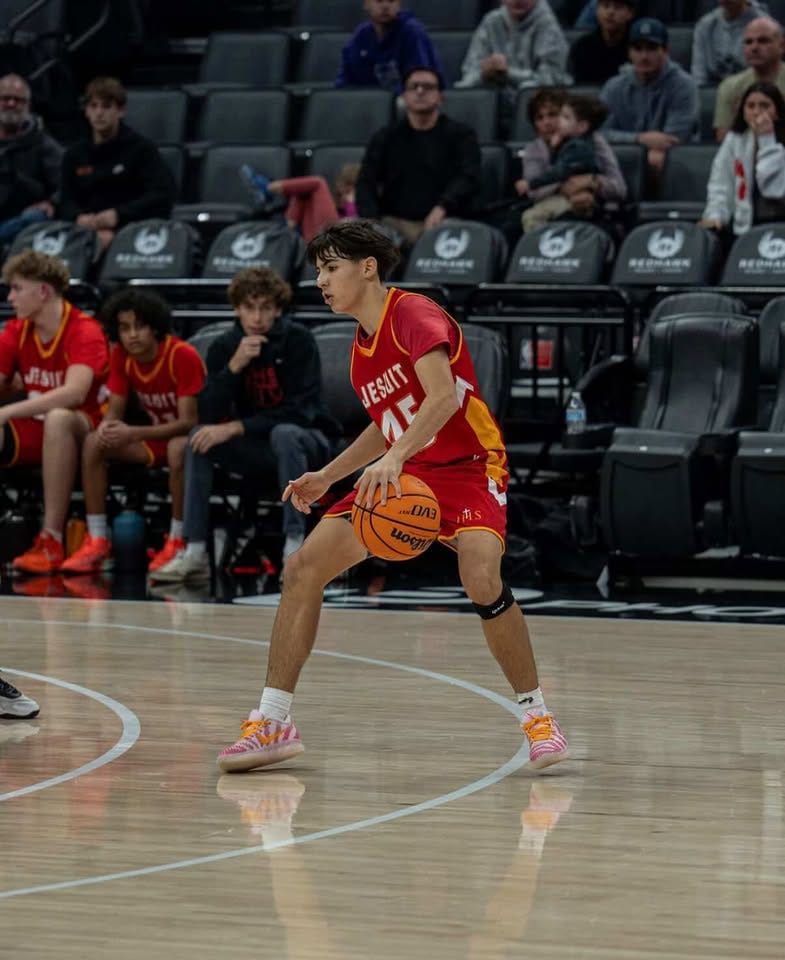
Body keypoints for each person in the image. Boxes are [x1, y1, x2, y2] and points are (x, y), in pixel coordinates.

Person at [216, 219, 569, 775]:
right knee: (303, 568)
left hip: (469, 465)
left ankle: (539, 718)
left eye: (330, 268)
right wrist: (328, 475)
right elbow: (388, 426)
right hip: (409, 466)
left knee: (481, 577)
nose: (321, 281)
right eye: (317, 272)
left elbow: (442, 398)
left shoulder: (413, 315)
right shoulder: (361, 352)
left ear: (367, 268)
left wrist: (397, 456)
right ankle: (273, 720)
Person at [151, 266, 338, 583]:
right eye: (250, 308)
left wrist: (237, 427)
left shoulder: (299, 341)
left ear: (278, 309)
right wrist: (233, 368)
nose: (257, 317)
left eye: (265, 308)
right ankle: (194, 552)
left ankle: (294, 547)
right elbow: (207, 413)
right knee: (198, 438)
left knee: (284, 434)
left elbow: (300, 413)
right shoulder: (225, 347)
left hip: (309, 444)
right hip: (258, 448)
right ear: (237, 309)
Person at [59, 288, 206, 575]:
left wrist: (133, 433)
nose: (132, 335)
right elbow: (115, 408)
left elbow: (189, 423)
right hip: (153, 436)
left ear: (155, 327)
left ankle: (177, 539)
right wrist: (108, 426)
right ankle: (97, 538)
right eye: (125, 328)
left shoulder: (181, 355)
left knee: (178, 448)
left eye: (140, 326)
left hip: (193, 438)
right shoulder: (121, 355)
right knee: (94, 442)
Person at [0, 251, 109, 575]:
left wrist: (6, 410)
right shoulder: (17, 330)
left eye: (17, 288)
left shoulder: (84, 329)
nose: (10, 297)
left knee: (59, 417)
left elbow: (74, 393)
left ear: (43, 291)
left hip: (88, 427)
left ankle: (52, 539)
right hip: (37, 427)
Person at [356, 66, 481, 246]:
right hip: (394, 223)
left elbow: (469, 177)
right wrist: (372, 222)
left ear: (441, 97)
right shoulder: (386, 137)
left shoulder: (462, 136)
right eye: (413, 87)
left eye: (428, 87)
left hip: (444, 219)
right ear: (404, 96)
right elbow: (365, 182)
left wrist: (443, 206)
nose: (420, 91)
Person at [59, 76, 176, 250]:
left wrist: (118, 215)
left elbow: (162, 195)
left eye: (106, 106)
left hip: (130, 229)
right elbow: (66, 201)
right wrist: (78, 217)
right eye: (93, 106)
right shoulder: (74, 155)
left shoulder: (141, 150)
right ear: (86, 111)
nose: (99, 113)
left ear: (121, 111)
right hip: (83, 230)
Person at [601, 17, 698, 179]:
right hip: (622, 158)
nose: (644, 56)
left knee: (658, 160)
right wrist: (640, 139)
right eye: (638, 49)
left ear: (665, 51)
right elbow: (601, 133)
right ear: (629, 52)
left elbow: (674, 139)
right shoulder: (614, 86)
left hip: (674, 161)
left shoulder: (684, 85)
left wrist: (643, 146)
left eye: (652, 49)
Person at [455, 0, 570, 133]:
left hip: (535, 114)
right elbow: (468, 77)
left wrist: (509, 73)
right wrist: (483, 74)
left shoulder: (548, 25)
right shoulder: (491, 22)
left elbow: (552, 81)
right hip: (494, 111)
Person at [520, 88, 627, 230]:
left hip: (596, 208)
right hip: (553, 210)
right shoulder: (533, 150)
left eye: (553, 115)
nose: (546, 123)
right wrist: (565, 186)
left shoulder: (594, 141)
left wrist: (593, 182)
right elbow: (533, 192)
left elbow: (619, 189)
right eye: (539, 118)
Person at [700, 81, 785, 236]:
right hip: (744, 228)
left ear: (777, 112)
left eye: (764, 106)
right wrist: (715, 216)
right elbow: (720, 183)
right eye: (750, 106)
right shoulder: (734, 139)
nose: (757, 112)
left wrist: (766, 139)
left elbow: (773, 190)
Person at [0, 73, 63, 245]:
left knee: (36, 217)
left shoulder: (44, 144)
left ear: (28, 106)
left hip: (20, 219)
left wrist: (51, 203)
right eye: (5, 98)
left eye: (18, 100)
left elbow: (68, 183)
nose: (11, 104)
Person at [335, 0, 442, 93]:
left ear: (399, 4)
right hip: (367, 105)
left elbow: (420, 82)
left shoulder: (412, 32)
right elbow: (344, 80)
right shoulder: (361, 35)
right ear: (366, 4)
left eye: (391, 0)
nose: (385, 6)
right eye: (379, 1)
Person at [239, 163, 360, 243]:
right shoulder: (338, 201)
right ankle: (287, 232)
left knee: (318, 183)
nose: (340, 188)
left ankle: (267, 188)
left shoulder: (360, 201)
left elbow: (355, 223)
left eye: (349, 185)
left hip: (336, 238)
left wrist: (351, 202)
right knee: (304, 193)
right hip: (319, 238)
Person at [714, 17, 785, 141]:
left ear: (782, 46)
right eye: (748, 42)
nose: (754, 47)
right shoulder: (729, 86)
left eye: (763, 41)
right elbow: (722, 136)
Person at [692, 0, 768, 87]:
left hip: (751, 90)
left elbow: (766, 79)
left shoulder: (765, 26)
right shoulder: (705, 26)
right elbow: (699, 78)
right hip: (712, 91)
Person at [569, 0, 636, 85]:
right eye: (605, 6)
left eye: (617, 7)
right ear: (597, 10)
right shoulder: (582, 47)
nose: (610, 12)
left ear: (630, 13)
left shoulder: (638, 48)